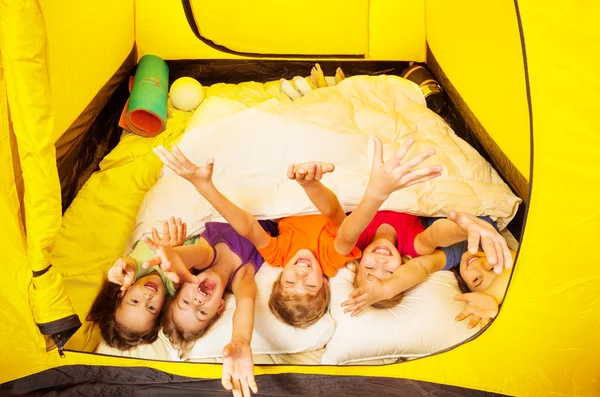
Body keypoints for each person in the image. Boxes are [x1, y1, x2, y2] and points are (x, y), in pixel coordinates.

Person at [87, 217, 193, 350]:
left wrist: (117, 271)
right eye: (151, 308)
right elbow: (182, 277)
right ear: (161, 310)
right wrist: (176, 251)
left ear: (123, 293)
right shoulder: (173, 283)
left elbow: (129, 264)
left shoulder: (134, 271)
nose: (147, 298)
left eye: (135, 301)